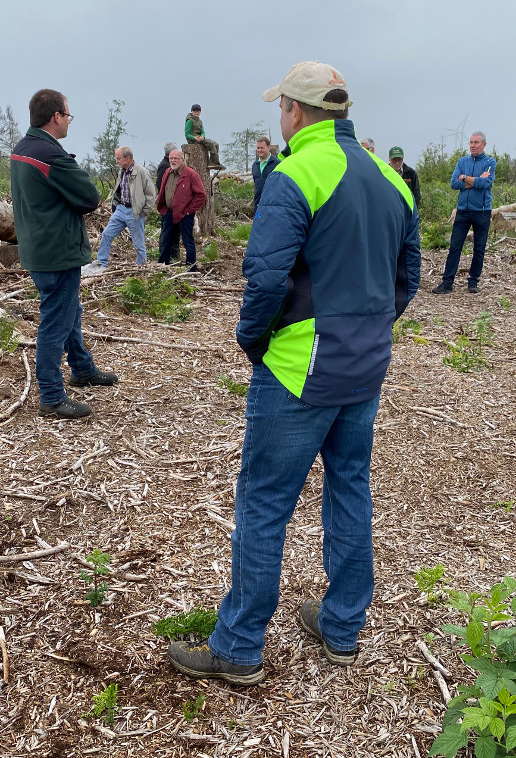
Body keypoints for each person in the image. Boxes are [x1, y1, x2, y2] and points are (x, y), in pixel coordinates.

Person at [167, 60, 420, 685]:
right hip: (366, 363)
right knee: (350, 488)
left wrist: (254, 341)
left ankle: (239, 644)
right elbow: (407, 277)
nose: (277, 118)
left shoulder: (294, 172)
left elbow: (266, 277)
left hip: (301, 367)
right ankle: (340, 626)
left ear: (295, 112)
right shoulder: (393, 178)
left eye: (279, 107)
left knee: (264, 502)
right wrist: (372, 329)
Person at [10, 89, 117, 419]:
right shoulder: (49, 155)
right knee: (55, 322)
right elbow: (89, 197)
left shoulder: (22, 149)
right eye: (68, 115)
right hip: (57, 250)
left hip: (38, 247)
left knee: (69, 312)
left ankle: (82, 368)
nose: (69, 120)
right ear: (56, 116)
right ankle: (52, 396)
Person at [434, 132, 495, 294]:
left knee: (479, 249)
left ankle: (473, 282)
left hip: (482, 212)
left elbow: (485, 182)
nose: (473, 145)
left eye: (476, 142)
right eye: (471, 142)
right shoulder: (462, 161)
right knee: (455, 247)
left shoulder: (490, 162)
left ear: (484, 144)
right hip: (463, 211)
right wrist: (473, 181)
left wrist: (465, 177)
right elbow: (454, 183)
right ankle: (447, 282)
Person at [83, 147, 156, 274]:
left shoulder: (141, 172)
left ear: (128, 158)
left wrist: (143, 212)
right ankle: (102, 263)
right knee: (107, 234)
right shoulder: (122, 171)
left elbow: (151, 194)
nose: (117, 161)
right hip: (121, 209)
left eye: (118, 158)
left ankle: (142, 268)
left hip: (135, 212)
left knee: (138, 243)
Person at [156, 148, 206, 270]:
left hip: (184, 215)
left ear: (182, 160)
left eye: (176, 158)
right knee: (166, 239)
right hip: (168, 213)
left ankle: (191, 267)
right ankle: (163, 265)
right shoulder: (167, 172)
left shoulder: (191, 175)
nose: (173, 161)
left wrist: (189, 210)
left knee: (187, 241)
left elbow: (201, 195)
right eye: (171, 158)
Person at [155, 142, 181, 260]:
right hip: (167, 206)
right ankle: (165, 255)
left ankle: (174, 254)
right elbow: (160, 184)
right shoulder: (164, 166)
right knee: (167, 231)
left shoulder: (170, 165)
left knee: (175, 231)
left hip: (174, 206)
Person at [185, 103, 223, 169]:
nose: (196, 112)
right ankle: (216, 162)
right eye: (195, 111)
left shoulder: (200, 121)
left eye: (198, 111)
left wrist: (203, 136)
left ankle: (212, 162)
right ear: (192, 111)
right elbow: (187, 134)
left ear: (200, 112)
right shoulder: (189, 120)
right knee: (210, 143)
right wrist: (194, 138)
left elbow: (202, 131)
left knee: (216, 144)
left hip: (200, 138)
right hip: (192, 140)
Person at [388, 146, 422, 211]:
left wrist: (414, 209)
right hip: (390, 209)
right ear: (389, 159)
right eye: (394, 159)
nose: (397, 163)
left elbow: (416, 193)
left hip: (406, 208)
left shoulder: (411, 173)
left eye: (399, 159)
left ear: (402, 159)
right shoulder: (383, 173)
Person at [251, 135, 280, 211]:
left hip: (273, 206)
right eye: (258, 148)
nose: (259, 150)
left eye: (262, 148)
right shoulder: (255, 165)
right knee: (258, 223)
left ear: (268, 147)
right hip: (258, 205)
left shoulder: (277, 164)